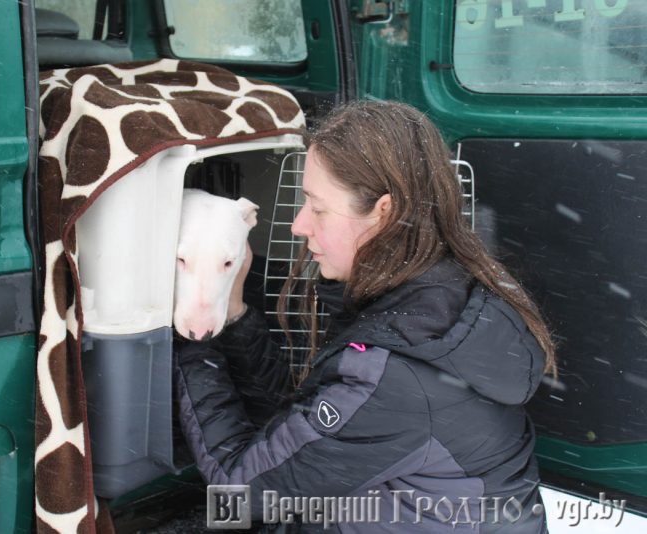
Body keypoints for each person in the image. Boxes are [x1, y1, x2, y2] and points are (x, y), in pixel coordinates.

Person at [174, 100, 555, 532]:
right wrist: (235, 312)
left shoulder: (398, 374)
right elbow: (299, 431)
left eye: (317, 208)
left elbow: (237, 493)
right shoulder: (443, 294)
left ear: (383, 212)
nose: (299, 225)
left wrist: (190, 335)